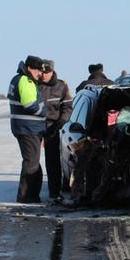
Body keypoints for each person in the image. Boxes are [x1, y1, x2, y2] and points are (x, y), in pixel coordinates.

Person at [8, 55, 47, 203]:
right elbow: (30, 105)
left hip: (26, 127)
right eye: (38, 70)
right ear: (30, 68)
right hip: (28, 128)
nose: (40, 74)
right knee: (31, 162)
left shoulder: (17, 79)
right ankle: (26, 196)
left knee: (32, 162)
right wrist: (44, 111)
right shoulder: (25, 81)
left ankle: (31, 194)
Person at [38, 59, 73, 204]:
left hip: (53, 126)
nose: (43, 75)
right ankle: (31, 192)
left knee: (53, 161)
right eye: (42, 72)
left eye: (46, 72)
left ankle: (54, 192)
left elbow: (67, 108)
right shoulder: (34, 83)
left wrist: (60, 123)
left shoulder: (61, 86)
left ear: (52, 71)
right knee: (32, 160)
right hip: (36, 126)